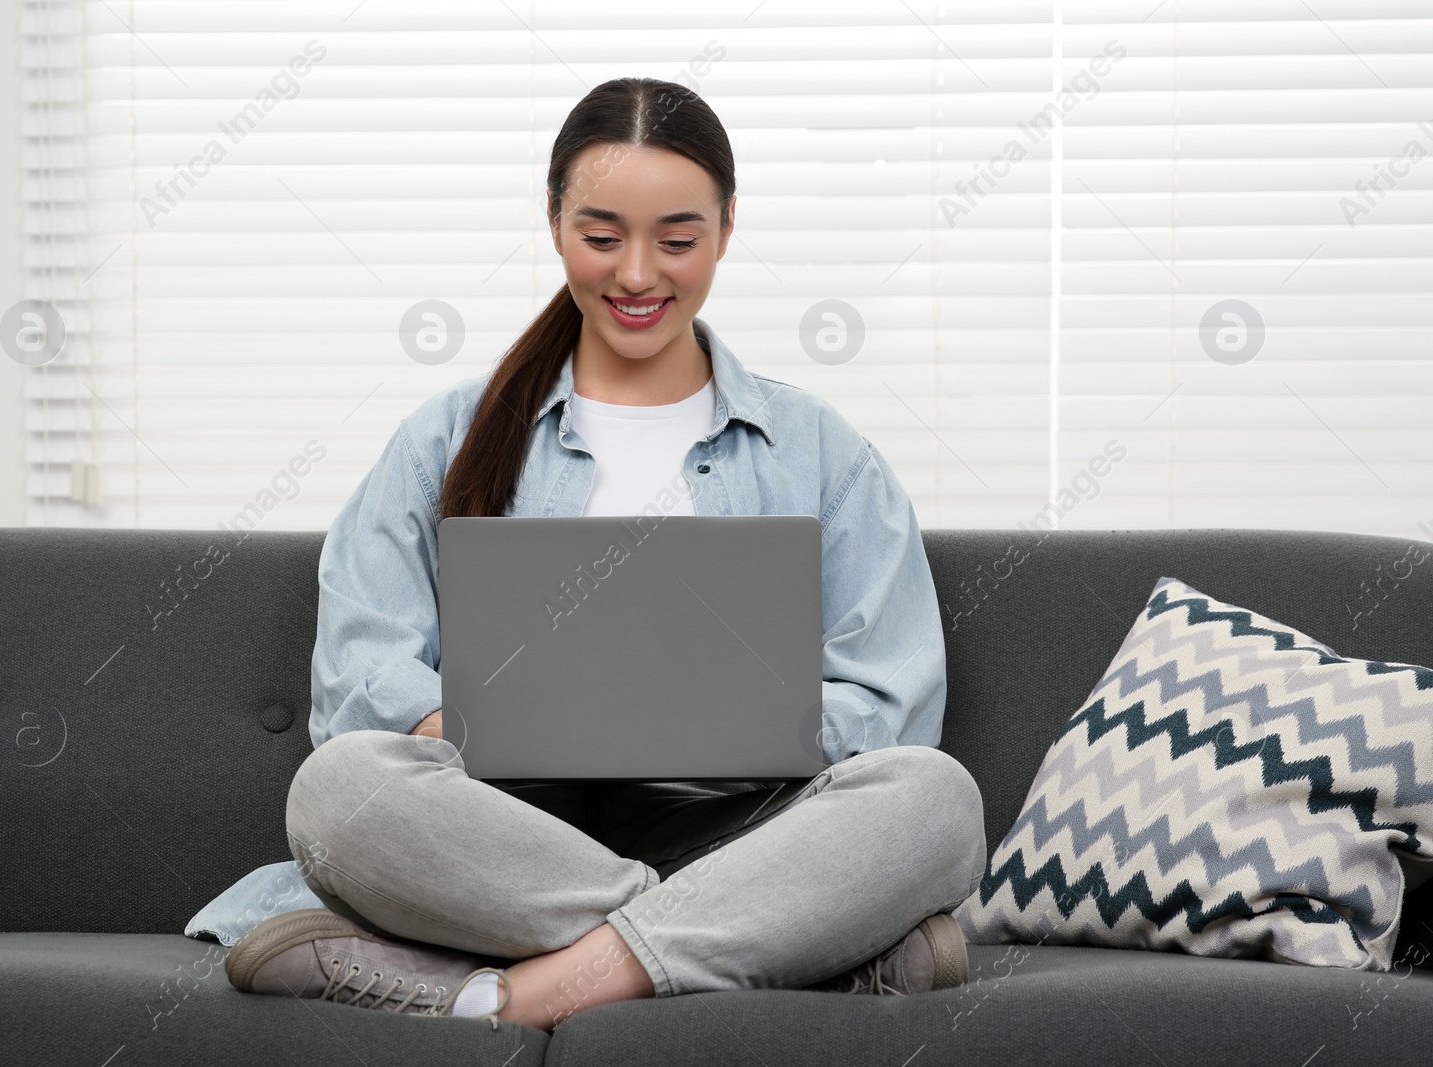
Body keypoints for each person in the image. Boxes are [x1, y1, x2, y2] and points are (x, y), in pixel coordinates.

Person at [222, 76, 986, 1032]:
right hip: (499, 837)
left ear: (727, 226)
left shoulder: (821, 454)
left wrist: (720, 722)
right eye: (600, 236)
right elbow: (357, 676)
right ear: (552, 223)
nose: (636, 275)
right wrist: (482, 722)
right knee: (337, 792)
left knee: (936, 800)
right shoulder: (445, 437)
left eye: (676, 240)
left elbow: (892, 707)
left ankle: (515, 990)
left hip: (747, 830)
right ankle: (759, 942)